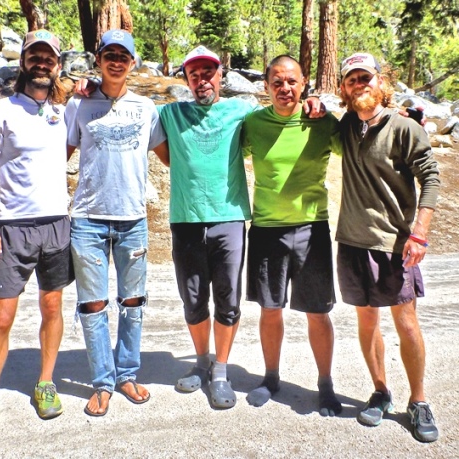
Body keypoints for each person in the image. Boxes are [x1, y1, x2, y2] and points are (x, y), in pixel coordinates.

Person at [157, 46, 325, 409]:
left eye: (209, 73)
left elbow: (283, 110)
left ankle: (220, 371)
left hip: (229, 219)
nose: (202, 80)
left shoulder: (241, 111)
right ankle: (201, 363)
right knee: (193, 300)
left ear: (221, 76)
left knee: (228, 301)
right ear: (186, 80)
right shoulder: (170, 113)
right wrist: (88, 89)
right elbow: (141, 125)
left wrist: (312, 101)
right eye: (194, 75)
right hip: (186, 220)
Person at [0, 29, 74, 449]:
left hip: (57, 224)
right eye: (35, 56)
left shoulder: (64, 112)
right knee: (1, 318)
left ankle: (45, 382)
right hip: (12, 227)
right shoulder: (0, 110)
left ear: (57, 65)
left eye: (49, 58)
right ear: (24, 61)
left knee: (52, 306)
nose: (42, 63)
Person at [337, 52, 440, 442]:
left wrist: (420, 233)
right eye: (351, 79)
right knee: (366, 321)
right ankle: (380, 390)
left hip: (394, 244)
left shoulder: (404, 128)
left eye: (366, 77)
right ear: (344, 89)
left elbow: (431, 178)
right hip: (351, 241)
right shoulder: (346, 125)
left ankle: (419, 401)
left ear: (381, 82)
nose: (359, 84)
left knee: (406, 323)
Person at [65, 29, 169, 416]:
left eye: (123, 56)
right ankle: (102, 382)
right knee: (93, 305)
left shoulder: (146, 108)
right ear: (98, 60)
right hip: (88, 220)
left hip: (132, 219)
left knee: (133, 302)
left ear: (132, 63)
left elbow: (170, 156)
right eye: (109, 55)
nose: (116, 61)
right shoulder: (79, 104)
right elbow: (57, 153)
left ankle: (126, 374)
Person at [242, 55, 342, 416]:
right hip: (267, 229)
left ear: (303, 84)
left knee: (317, 312)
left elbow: (358, 146)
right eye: (277, 82)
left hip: (312, 229)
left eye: (292, 81)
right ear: (266, 86)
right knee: (270, 309)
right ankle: (271, 378)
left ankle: (325, 384)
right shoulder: (254, 124)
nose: (285, 88)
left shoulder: (322, 122)